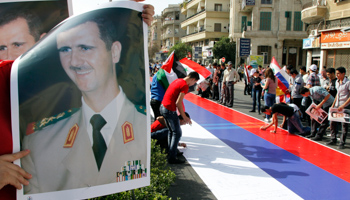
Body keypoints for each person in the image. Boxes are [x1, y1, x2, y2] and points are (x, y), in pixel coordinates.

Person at [19, 6, 155, 195]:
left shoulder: (142, 126)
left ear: (115, 51)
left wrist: (136, 17)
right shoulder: (39, 142)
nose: (74, 61)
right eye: (65, 50)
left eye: (85, 47)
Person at [160, 72, 199, 164]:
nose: (193, 85)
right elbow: (178, 102)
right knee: (177, 133)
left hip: (163, 107)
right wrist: (184, 117)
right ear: (193, 79)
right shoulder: (184, 86)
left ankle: (171, 153)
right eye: (195, 82)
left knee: (171, 131)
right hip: (169, 109)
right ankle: (172, 157)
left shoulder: (178, 80)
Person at [328, 67, 350, 149]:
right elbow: (338, 94)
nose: (336, 75)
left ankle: (342, 142)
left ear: (343, 73)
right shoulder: (337, 82)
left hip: (345, 106)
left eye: (338, 73)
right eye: (336, 73)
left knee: (344, 125)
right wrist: (333, 104)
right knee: (332, 123)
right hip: (337, 106)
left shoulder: (348, 83)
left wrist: (343, 105)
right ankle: (333, 139)